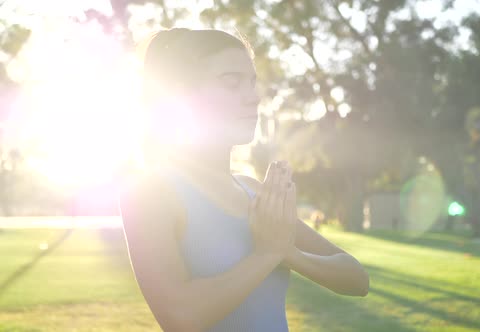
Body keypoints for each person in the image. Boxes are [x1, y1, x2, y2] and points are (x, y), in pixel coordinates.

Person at [117, 28, 369, 332]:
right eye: (232, 82)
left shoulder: (254, 191)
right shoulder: (150, 193)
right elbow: (181, 317)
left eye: (253, 83)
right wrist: (266, 254)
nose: (254, 97)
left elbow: (356, 279)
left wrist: (288, 253)